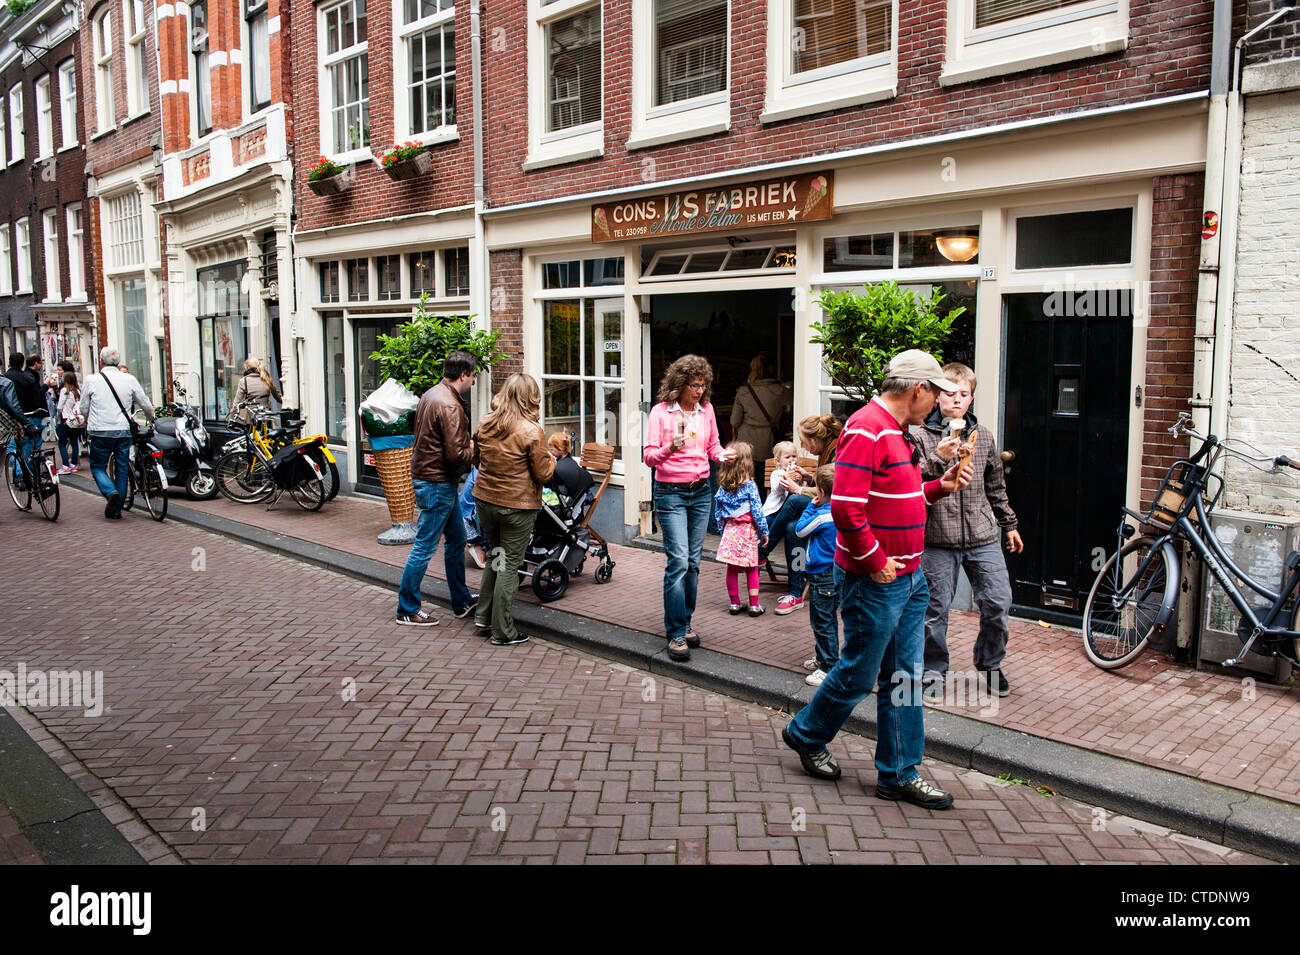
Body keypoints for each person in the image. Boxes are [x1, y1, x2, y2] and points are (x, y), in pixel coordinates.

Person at [781, 350, 973, 810]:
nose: (938, 405)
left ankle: (899, 773)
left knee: (903, 676)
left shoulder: (896, 430)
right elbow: (846, 506)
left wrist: (938, 487)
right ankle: (806, 732)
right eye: (937, 395)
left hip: (909, 576)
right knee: (860, 671)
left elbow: (896, 494)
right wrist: (873, 558)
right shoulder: (867, 428)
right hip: (878, 578)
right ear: (918, 390)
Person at [915, 362, 1023, 701]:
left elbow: (996, 486)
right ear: (936, 397)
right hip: (937, 538)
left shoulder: (985, 435)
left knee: (998, 601)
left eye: (963, 394)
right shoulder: (919, 435)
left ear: (971, 398)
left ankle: (990, 664)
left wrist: (1009, 525)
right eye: (949, 394)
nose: (956, 400)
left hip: (982, 535)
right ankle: (933, 671)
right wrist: (938, 455)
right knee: (935, 611)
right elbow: (912, 479)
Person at [643, 354, 736, 662]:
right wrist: (671, 448)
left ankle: (686, 621)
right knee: (679, 561)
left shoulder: (706, 410)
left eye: (703, 384)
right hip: (670, 493)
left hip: (700, 493)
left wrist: (724, 455)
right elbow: (649, 457)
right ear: (680, 384)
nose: (699, 390)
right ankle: (676, 633)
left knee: (694, 563)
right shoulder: (660, 413)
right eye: (694, 385)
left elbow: (713, 447)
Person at [394, 351, 479, 626]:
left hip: (434, 479)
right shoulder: (450, 405)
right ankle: (407, 608)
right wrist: (475, 448)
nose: (473, 381)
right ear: (464, 374)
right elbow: (456, 453)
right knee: (424, 546)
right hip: (438, 482)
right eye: (474, 376)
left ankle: (461, 600)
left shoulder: (431, 394)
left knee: (456, 540)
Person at [472, 373, 555, 646]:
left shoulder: (486, 422)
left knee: (496, 557)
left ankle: (483, 617)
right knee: (510, 566)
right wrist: (552, 460)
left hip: (486, 501)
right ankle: (503, 630)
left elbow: (476, 460)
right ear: (530, 398)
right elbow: (543, 474)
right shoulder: (531, 431)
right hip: (516, 507)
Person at [759, 414, 843, 615]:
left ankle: (763, 550)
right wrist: (810, 477)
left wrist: (800, 489)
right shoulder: (827, 451)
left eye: (805, 443)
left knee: (796, 499)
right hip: (822, 505)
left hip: (835, 508)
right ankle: (796, 593)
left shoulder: (838, 453)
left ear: (815, 440)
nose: (805, 448)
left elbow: (835, 489)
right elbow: (825, 482)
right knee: (792, 528)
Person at [79, 347, 155, 520]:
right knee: (122, 469)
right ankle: (116, 510)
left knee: (98, 466)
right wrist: (152, 418)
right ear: (118, 362)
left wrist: (86, 419)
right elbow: (145, 403)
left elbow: (83, 407)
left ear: (100, 361)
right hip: (122, 431)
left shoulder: (91, 380)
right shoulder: (129, 379)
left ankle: (110, 491)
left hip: (100, 431)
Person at [794, 464, 840, 687]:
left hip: (822, 573)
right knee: (826, 618)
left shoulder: (822, 515)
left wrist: (810, 508)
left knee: (823, 621)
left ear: (821, 492)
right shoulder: (842, 510)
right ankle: (823, 657)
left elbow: (800, 530)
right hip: (836, 571)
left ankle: (828, 665)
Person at [713, 441, 769, 617]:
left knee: (732, 568)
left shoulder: (723, 486)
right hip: (746, 531)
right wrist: (764, 531)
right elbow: (758, 512)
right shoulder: (750, 486)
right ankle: (754, 605)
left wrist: (723, 531)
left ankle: (735, 604)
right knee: (751, 568)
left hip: (730, 529)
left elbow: (718, 513)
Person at [731, 354, 793, 463]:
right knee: (767, 477)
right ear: (771, 369)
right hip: (768, 443)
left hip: (745, 444)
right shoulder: (781, 390)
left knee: (746, 478)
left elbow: (734, 421)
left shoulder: (743, 392)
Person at [547, 432, 593, 507]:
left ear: (560, 448)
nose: (550, 452)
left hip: (572, 494)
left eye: (552, 449)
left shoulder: (563, 465)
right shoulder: (567, 461)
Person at [56, 371, 86, 473]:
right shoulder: (78, 391)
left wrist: (58, 417)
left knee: (61, 442)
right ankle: (74, 464)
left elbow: (60, 407)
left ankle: (65, 465)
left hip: (66, 420)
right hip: (76, 421)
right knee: (74, 442)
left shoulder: (65, 391)